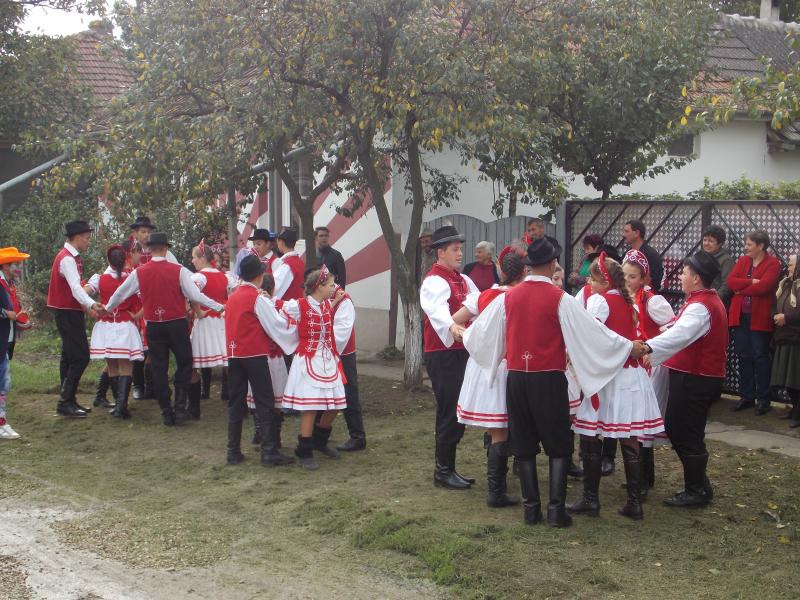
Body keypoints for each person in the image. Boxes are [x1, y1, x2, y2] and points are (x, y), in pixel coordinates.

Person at [463, 238, 641, 527]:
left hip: (517, 378)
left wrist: (465, 335)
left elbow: (480, 334)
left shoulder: (508, 297)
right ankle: (556, 511)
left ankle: (531, 510)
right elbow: (592, 332)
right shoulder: (560, 298)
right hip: (549, 378)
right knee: (559, 446)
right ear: (551, 264)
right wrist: (627, 346)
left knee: (524, 445)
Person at [569, 253, 664, 521]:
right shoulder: (627, 301)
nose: (589, 283)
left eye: (593, 279)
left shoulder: (600, 301)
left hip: (609, 377)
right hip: (631, 377)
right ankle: (634, 501)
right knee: (629, 437)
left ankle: (591, 499)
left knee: (590, 435)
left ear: (605, 280)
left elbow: (594, 335)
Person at [635, 250, 728, 508]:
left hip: (696, 378)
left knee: (685, 431)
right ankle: (699, 485)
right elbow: (678, 329)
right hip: (694, 377)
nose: (681, 277)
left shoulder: (701, 306)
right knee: (682, 429)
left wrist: (649, 346)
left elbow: (681, 335)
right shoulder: (701, 301)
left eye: (685, 273)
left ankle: (696, 489)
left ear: (696, 278)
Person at [103, 232, 224, 426]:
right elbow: (195, 295)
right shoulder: (178, 270)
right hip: (176, 324)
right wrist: (219, 306)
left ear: (149, 250)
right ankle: (180, 407)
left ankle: (166, 411)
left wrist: (107, 308)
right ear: (166, 249)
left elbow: (120, 293)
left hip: (154, 325)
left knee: (159, 367)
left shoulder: (140, 272)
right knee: (185, 363)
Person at [453, 249, 527, 508]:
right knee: (501, 427)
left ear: (500, 269)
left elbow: (454, 321)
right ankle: (496, 491)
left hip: (484, 366)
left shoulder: (484, 296)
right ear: (524, 271)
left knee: (496, 425)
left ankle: (498, 485)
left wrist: (467, 335)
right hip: (506, 366)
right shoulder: (521, 297)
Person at [420, 226, 479, 490]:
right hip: (442, 353)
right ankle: (442, 471)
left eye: (460, 249)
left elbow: (478, 301)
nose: (460, 253)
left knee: (456, 408)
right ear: (440, 252)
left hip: (460, 350)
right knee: (449, 408)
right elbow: (437, 310)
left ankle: (449, 468)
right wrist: (453, 326)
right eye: (455, 249)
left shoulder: (462, 279)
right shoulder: (434, 281)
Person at [272, 265, 347, 470]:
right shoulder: (300, 305)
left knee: (337, 404)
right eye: (330, 285)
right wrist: (263, 296)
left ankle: (319, 441)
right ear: (319, 286)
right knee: (311, 406)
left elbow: (326, 312)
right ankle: (303, 449)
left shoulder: (325, 304)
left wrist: (336, 301)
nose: (334, 288)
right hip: (308, 359)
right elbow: (277, 306)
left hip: (328, 360)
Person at [224, 255, 294, 467]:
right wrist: (294, 330)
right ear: (259, 276)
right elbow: (276, 324)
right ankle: (269, 451)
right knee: (265, 401)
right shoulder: (257, 298)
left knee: (236, 402)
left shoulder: (233, 296)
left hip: (234, 355)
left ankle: (233, 451)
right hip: (254, 354)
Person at [622, 249, 675, 493]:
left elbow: (672, 330)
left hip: (651, 365)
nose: (627, 280)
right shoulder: (624, 298)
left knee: (644, 418)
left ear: (643, 278)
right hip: (634, 365)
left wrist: (652, 349)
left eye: (633, 277)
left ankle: (644, 479)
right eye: (624, 275)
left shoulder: (652, 301)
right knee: (633, 418)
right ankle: (640, 476)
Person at [47, 220, 105, 418]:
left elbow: (76, 289)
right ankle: (65, 402)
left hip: (69, 312)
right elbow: (75, 289)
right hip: (67, 313)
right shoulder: (67, 259)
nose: (88, 242)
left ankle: (68, 399)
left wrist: (87, 306)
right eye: (87, 238)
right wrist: (91, 304)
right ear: (78, 237)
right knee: (81, 357)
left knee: (69, 357)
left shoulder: (70, 257)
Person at [727, 230, 781, 415]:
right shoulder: (743, 261)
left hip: (760, 317)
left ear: (761, 245)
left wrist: (742, 289)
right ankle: (747, 396)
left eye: (749, 244)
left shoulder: (773, 263)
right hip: (741, 316)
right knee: (743, 356)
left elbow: (765, 287)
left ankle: (764, 399)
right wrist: (751, 282)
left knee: (760, 357)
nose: (746, 247)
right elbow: (731, 282)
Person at [87, 245, 144, 419]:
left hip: (105, 325)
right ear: (125, 259)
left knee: (112, 366)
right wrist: (137, 315)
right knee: (126, 366)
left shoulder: (99, 279)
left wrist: (92, 309)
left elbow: (82, 293)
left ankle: (119, 405)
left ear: (108, 260)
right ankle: (121, 407)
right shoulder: (132, 278)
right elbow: (148, 297)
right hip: (125, 325)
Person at [189, 240, 230, 414]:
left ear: (202, 258)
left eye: (194, 257)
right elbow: (234, 292)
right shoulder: (224, 276)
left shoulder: (199, 277)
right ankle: (237, 402)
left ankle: (193, 407)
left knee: (193, 362)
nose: (192, 261)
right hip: (222, 322)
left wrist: (198, 311)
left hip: (206, 322)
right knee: (227, 362)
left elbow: (191, 293)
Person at [0, 247, 32, 439]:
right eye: (15, 265)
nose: (18, 268)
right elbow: (6, 312)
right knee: (3, 383)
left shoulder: (8, 285)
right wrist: (6, 314)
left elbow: (13, 313)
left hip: (5, 340)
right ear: (5, 266)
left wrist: (20, 323)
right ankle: (1, 423)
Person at [331, 283, 367, 451]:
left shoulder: (343, 300)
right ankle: (318, 435)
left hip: (342, 354)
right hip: (326, 353)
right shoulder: (321, 297)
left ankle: (357, 436)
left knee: (349, 393)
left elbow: (341, 333)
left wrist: (325, 348)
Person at [770, 254, 800, 428]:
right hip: (784, 336)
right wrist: (775, 314)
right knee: (788, 378)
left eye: (791, 265)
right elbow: (775, 302)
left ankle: (798, 413)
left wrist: (786, 318)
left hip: (796, 338)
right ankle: (795, 409)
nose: (788, 268)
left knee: (796, 379)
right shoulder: (786, 283)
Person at [622, 219, 663, 293]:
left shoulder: (652, 255)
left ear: (636, 233)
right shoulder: (626, 254)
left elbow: (657, 281)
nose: (623, 235)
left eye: (627, 231)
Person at [702, 225, 735, 307]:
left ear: (720, 243)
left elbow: (727, 285)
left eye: (711, 241)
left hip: (716, 305)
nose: (706, 243)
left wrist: (713, 300)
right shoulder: (701, 256)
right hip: (700, 301)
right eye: (705, 240)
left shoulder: (726, 260)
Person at [273, 228, 305, 301]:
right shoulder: (300, 262)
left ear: (281, 242)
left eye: (277, 240)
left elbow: (274, 288)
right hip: (298, 304)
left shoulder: (287, 265)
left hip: (287, 306)